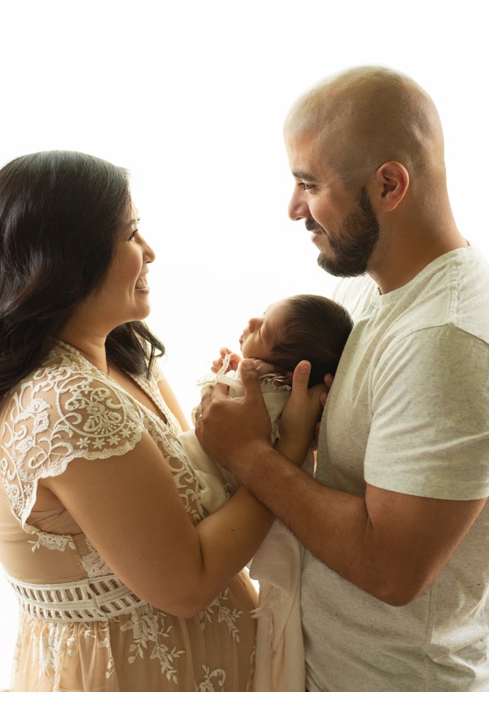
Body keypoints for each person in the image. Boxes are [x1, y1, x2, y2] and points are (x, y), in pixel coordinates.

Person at [195, 66, 489, 692]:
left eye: (309, 184)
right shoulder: (376, 291)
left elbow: (391, 568)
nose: (294, 208)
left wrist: (246, 454)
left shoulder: (448, 339)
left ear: (388, 184)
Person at [0, 150, 322, 692]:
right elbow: (188, 582)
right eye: (131, 234)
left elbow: (209, 491)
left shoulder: (127, 362)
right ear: (68, 256)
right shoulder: (66, 400)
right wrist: (284, 453)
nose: (150, 252)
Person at [178, 294, 351, 692]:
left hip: (211, 491)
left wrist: (224, 376)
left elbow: (208, 423)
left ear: (284, 371)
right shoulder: (292, 404)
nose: (252, 320)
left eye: (264, 330)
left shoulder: (264, 396)